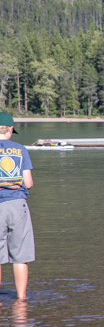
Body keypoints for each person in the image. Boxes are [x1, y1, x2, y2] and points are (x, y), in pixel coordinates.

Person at [0, 113, 34, 300]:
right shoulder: (21, 150)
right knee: (20, 255)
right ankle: (21, 300)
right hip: (16, 205)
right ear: (10, 130)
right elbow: (28, 183)